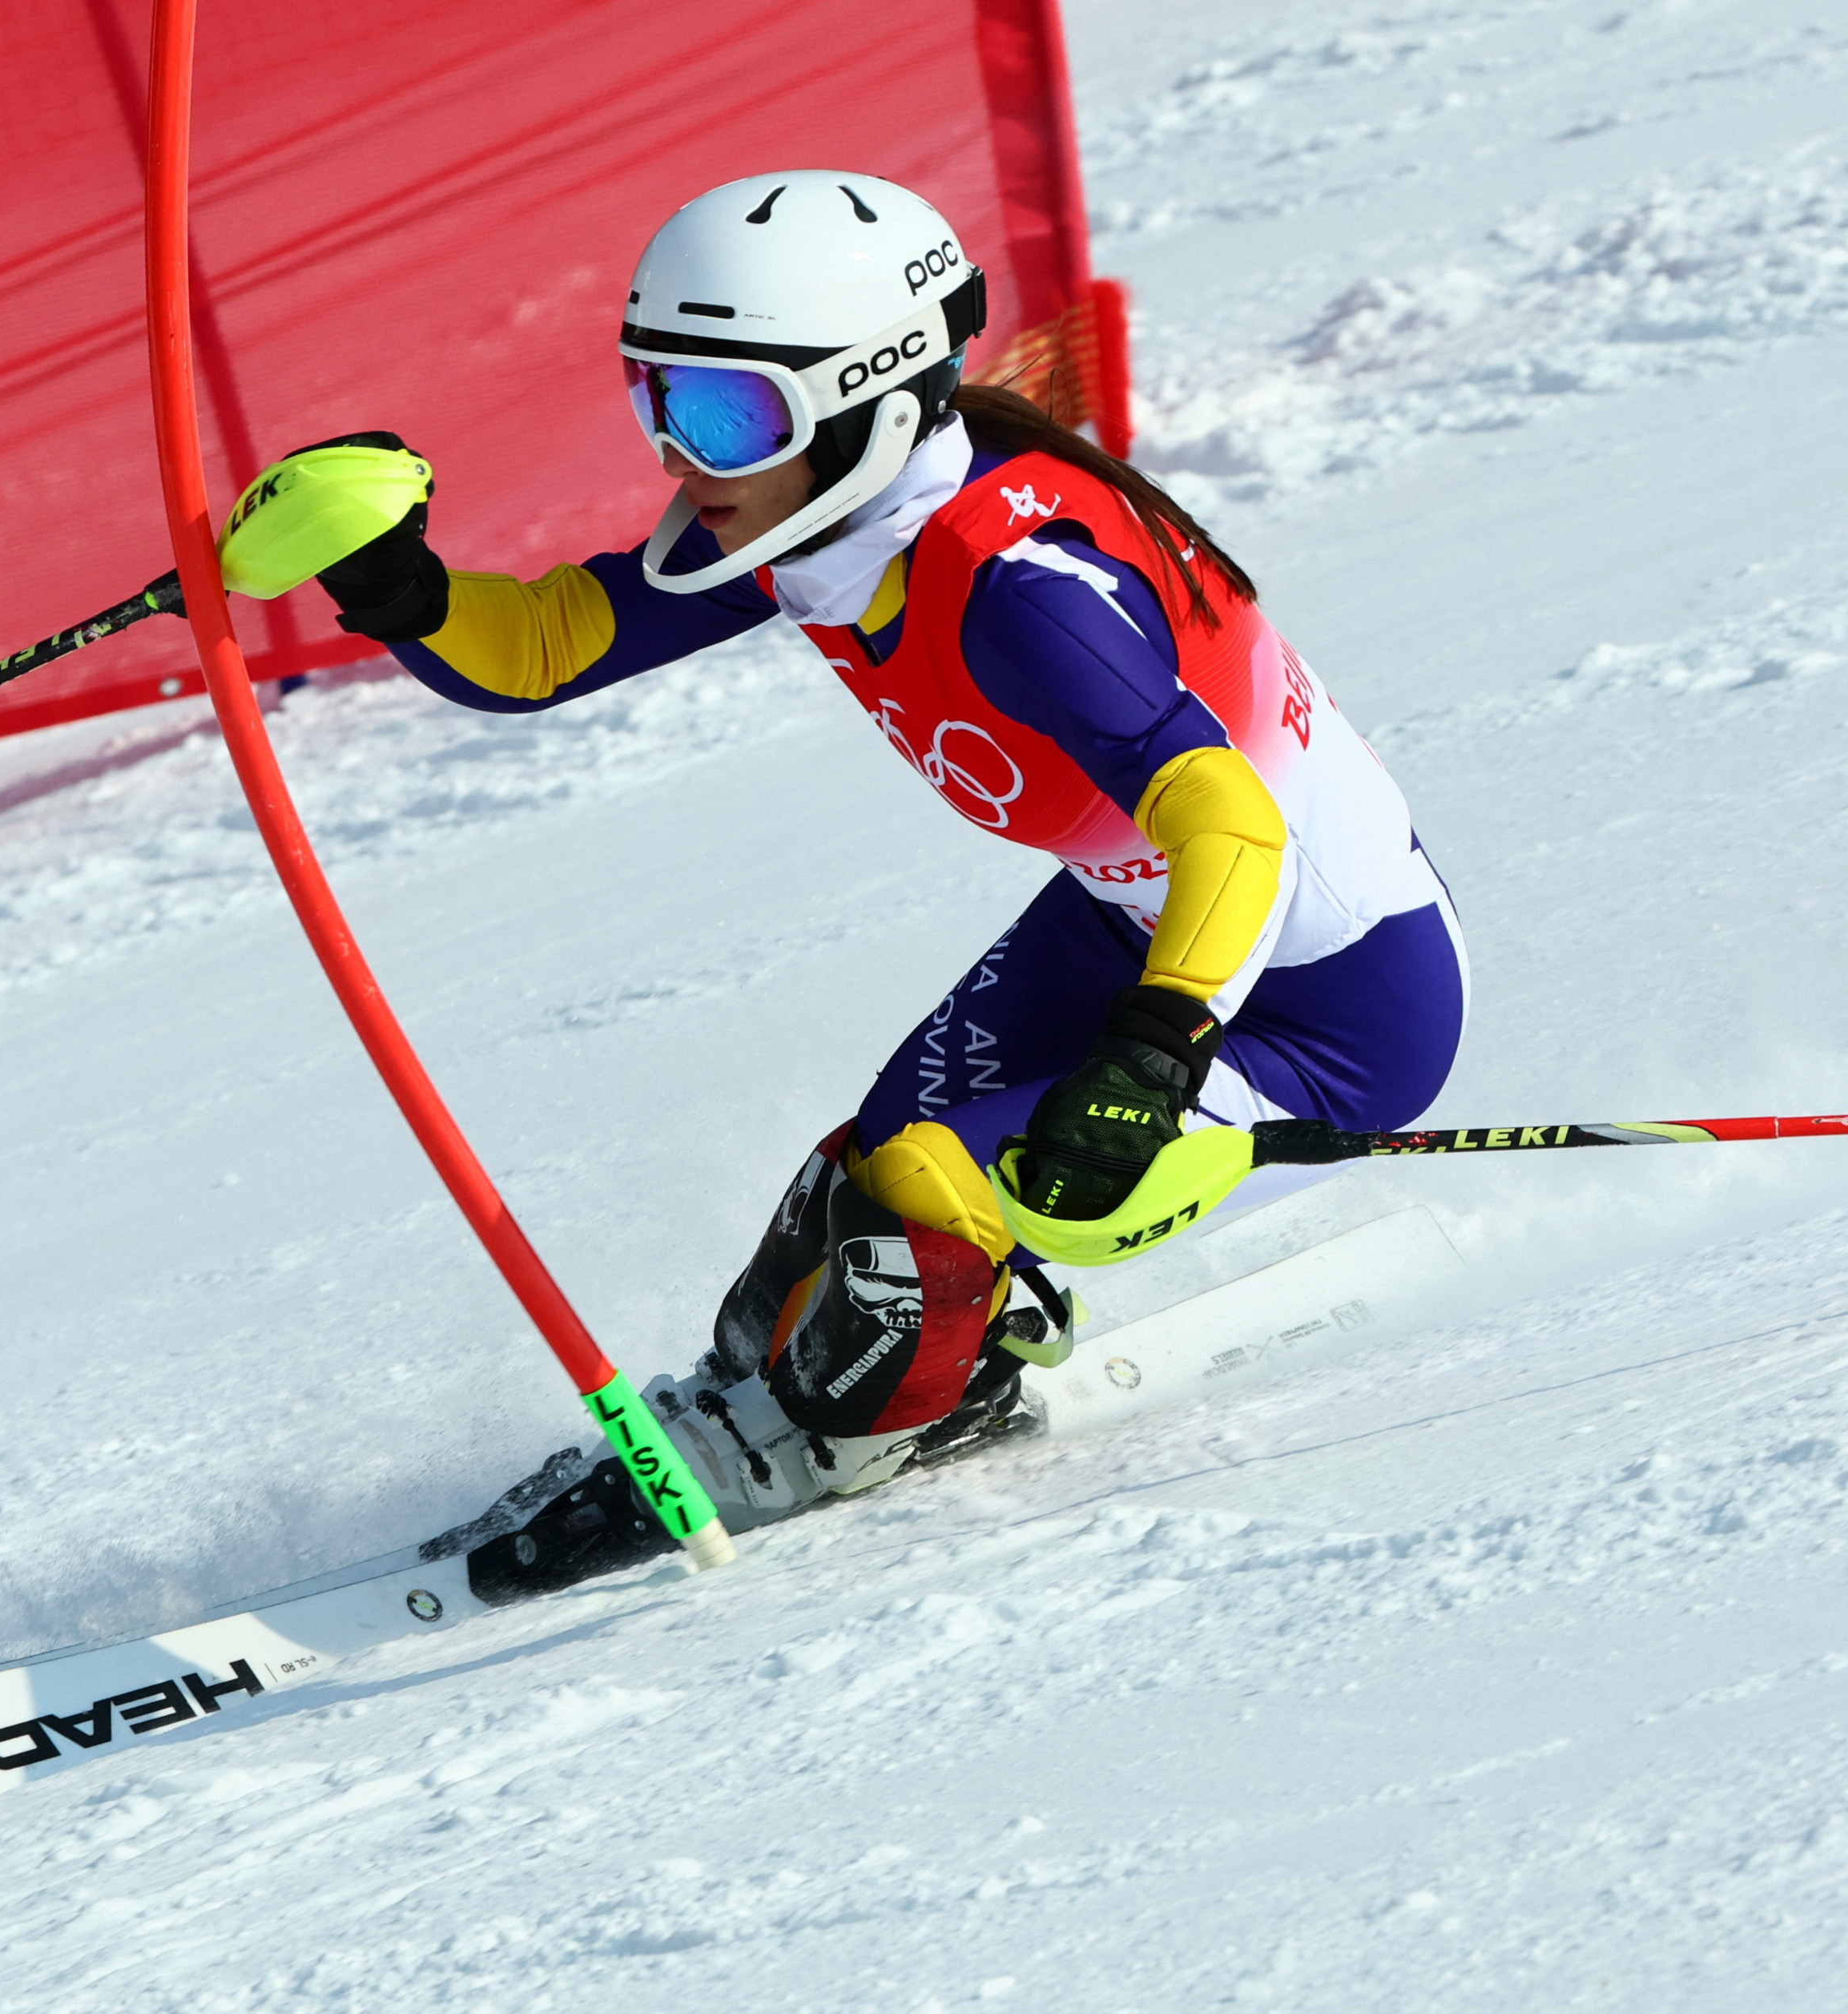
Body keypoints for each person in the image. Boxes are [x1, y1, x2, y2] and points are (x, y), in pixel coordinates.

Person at [311, 171, 1467, 1525]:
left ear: (871, 401)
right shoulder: (816, 518)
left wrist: (1157, 1049)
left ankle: (849, 1435)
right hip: (1134, 925)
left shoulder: (1015, 590)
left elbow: (1233, 821)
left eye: (725, 413)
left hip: (1325, 1011)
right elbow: (545, 645)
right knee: (859, 1171)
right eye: (657, 401)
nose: (680, 456)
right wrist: (403, 589)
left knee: (927, 1198)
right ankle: (793, 1390)